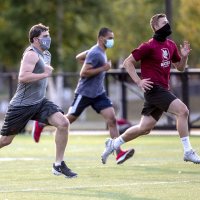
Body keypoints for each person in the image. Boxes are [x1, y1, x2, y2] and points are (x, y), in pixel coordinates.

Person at [101, 13, 200, 164]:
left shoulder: (171, 45)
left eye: (167, 21)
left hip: (163, 89)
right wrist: (139, 82)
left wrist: (184, 56)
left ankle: (113, 144)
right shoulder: (148, 46)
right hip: (154, 89)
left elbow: (180, 68)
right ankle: (188, 151)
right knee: (183, 111)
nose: (167, 25)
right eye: (163, 23)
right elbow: (127, 63)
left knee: (144, 128)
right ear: (155, 27)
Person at [32, 27, 135, 165]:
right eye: (109, 38)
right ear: (101, 39)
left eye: (112, 38)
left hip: (98, 93)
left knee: (111, 119)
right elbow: (83, 73)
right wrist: (103, 68)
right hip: (84, 93)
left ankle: (118, 152)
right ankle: (41, 123)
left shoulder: (97, 51)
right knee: (67, 121)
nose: (112, 41)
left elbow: (78, 57)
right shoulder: (96, 53)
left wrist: (89, 54)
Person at [0, 23, 77, 178]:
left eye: (49, 36)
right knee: (5, 141)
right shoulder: (30, 54)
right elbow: (23, 77)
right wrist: (44, 74)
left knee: (63, 123)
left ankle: (58, 165)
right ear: (35, 39)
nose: (49, 39)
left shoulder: (46, 54)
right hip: (21, 105)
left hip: (40, 102)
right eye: (45, 36)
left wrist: (44, 74)